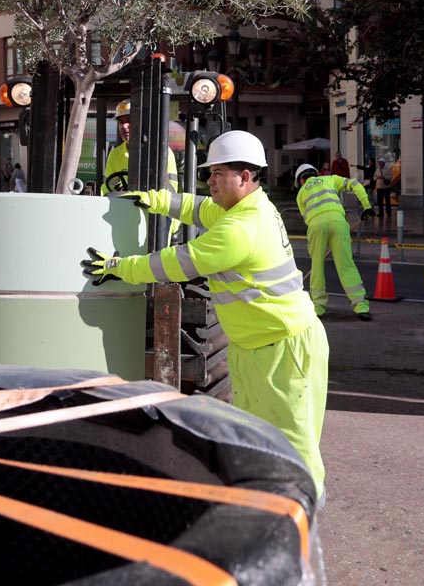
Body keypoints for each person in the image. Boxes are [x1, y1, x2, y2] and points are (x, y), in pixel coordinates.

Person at [83, 131, 329, 495]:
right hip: (254, 345)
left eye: (217, 173)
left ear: (245, 176)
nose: (209, 180)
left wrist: (120, 267)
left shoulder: (241, 228)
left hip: (284, 348)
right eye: (209, 173)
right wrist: (156, 200)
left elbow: (178, 261)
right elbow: (198, 208)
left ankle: (303, 511)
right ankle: (264, 504)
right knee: (255, 435)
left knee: (292, 442)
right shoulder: (241, 208)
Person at [295, 163, 375, 321]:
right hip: (338, 222)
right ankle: (361, 306)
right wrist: (367, 206)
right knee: (346, 265)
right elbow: (354, 184)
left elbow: (307, 219)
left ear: (301, 180)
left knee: (317, 266)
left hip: (316, 226)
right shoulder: (330, 179)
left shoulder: (301, 193)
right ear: (316, 174)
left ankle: (318, 308)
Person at [100, 99, 179, 195]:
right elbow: (107, 188)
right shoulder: (115, 154)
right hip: (125, 203)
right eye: (121, 122)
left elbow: (172, 189)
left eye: (129, 120)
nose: (124, 126)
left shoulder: (162, 152)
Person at [372, 157, 392, 221]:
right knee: (379, 201)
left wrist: (384, 177)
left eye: (381, 162)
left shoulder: (387, 169)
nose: (380, 164)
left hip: (386, 187)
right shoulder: (377, 169)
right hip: (379, 187)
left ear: (384, 163)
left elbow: (390, 176)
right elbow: (374, 177)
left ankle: (388, 212)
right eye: (379, 162)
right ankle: (381, 213)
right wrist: (377, 177)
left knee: (387, 200)